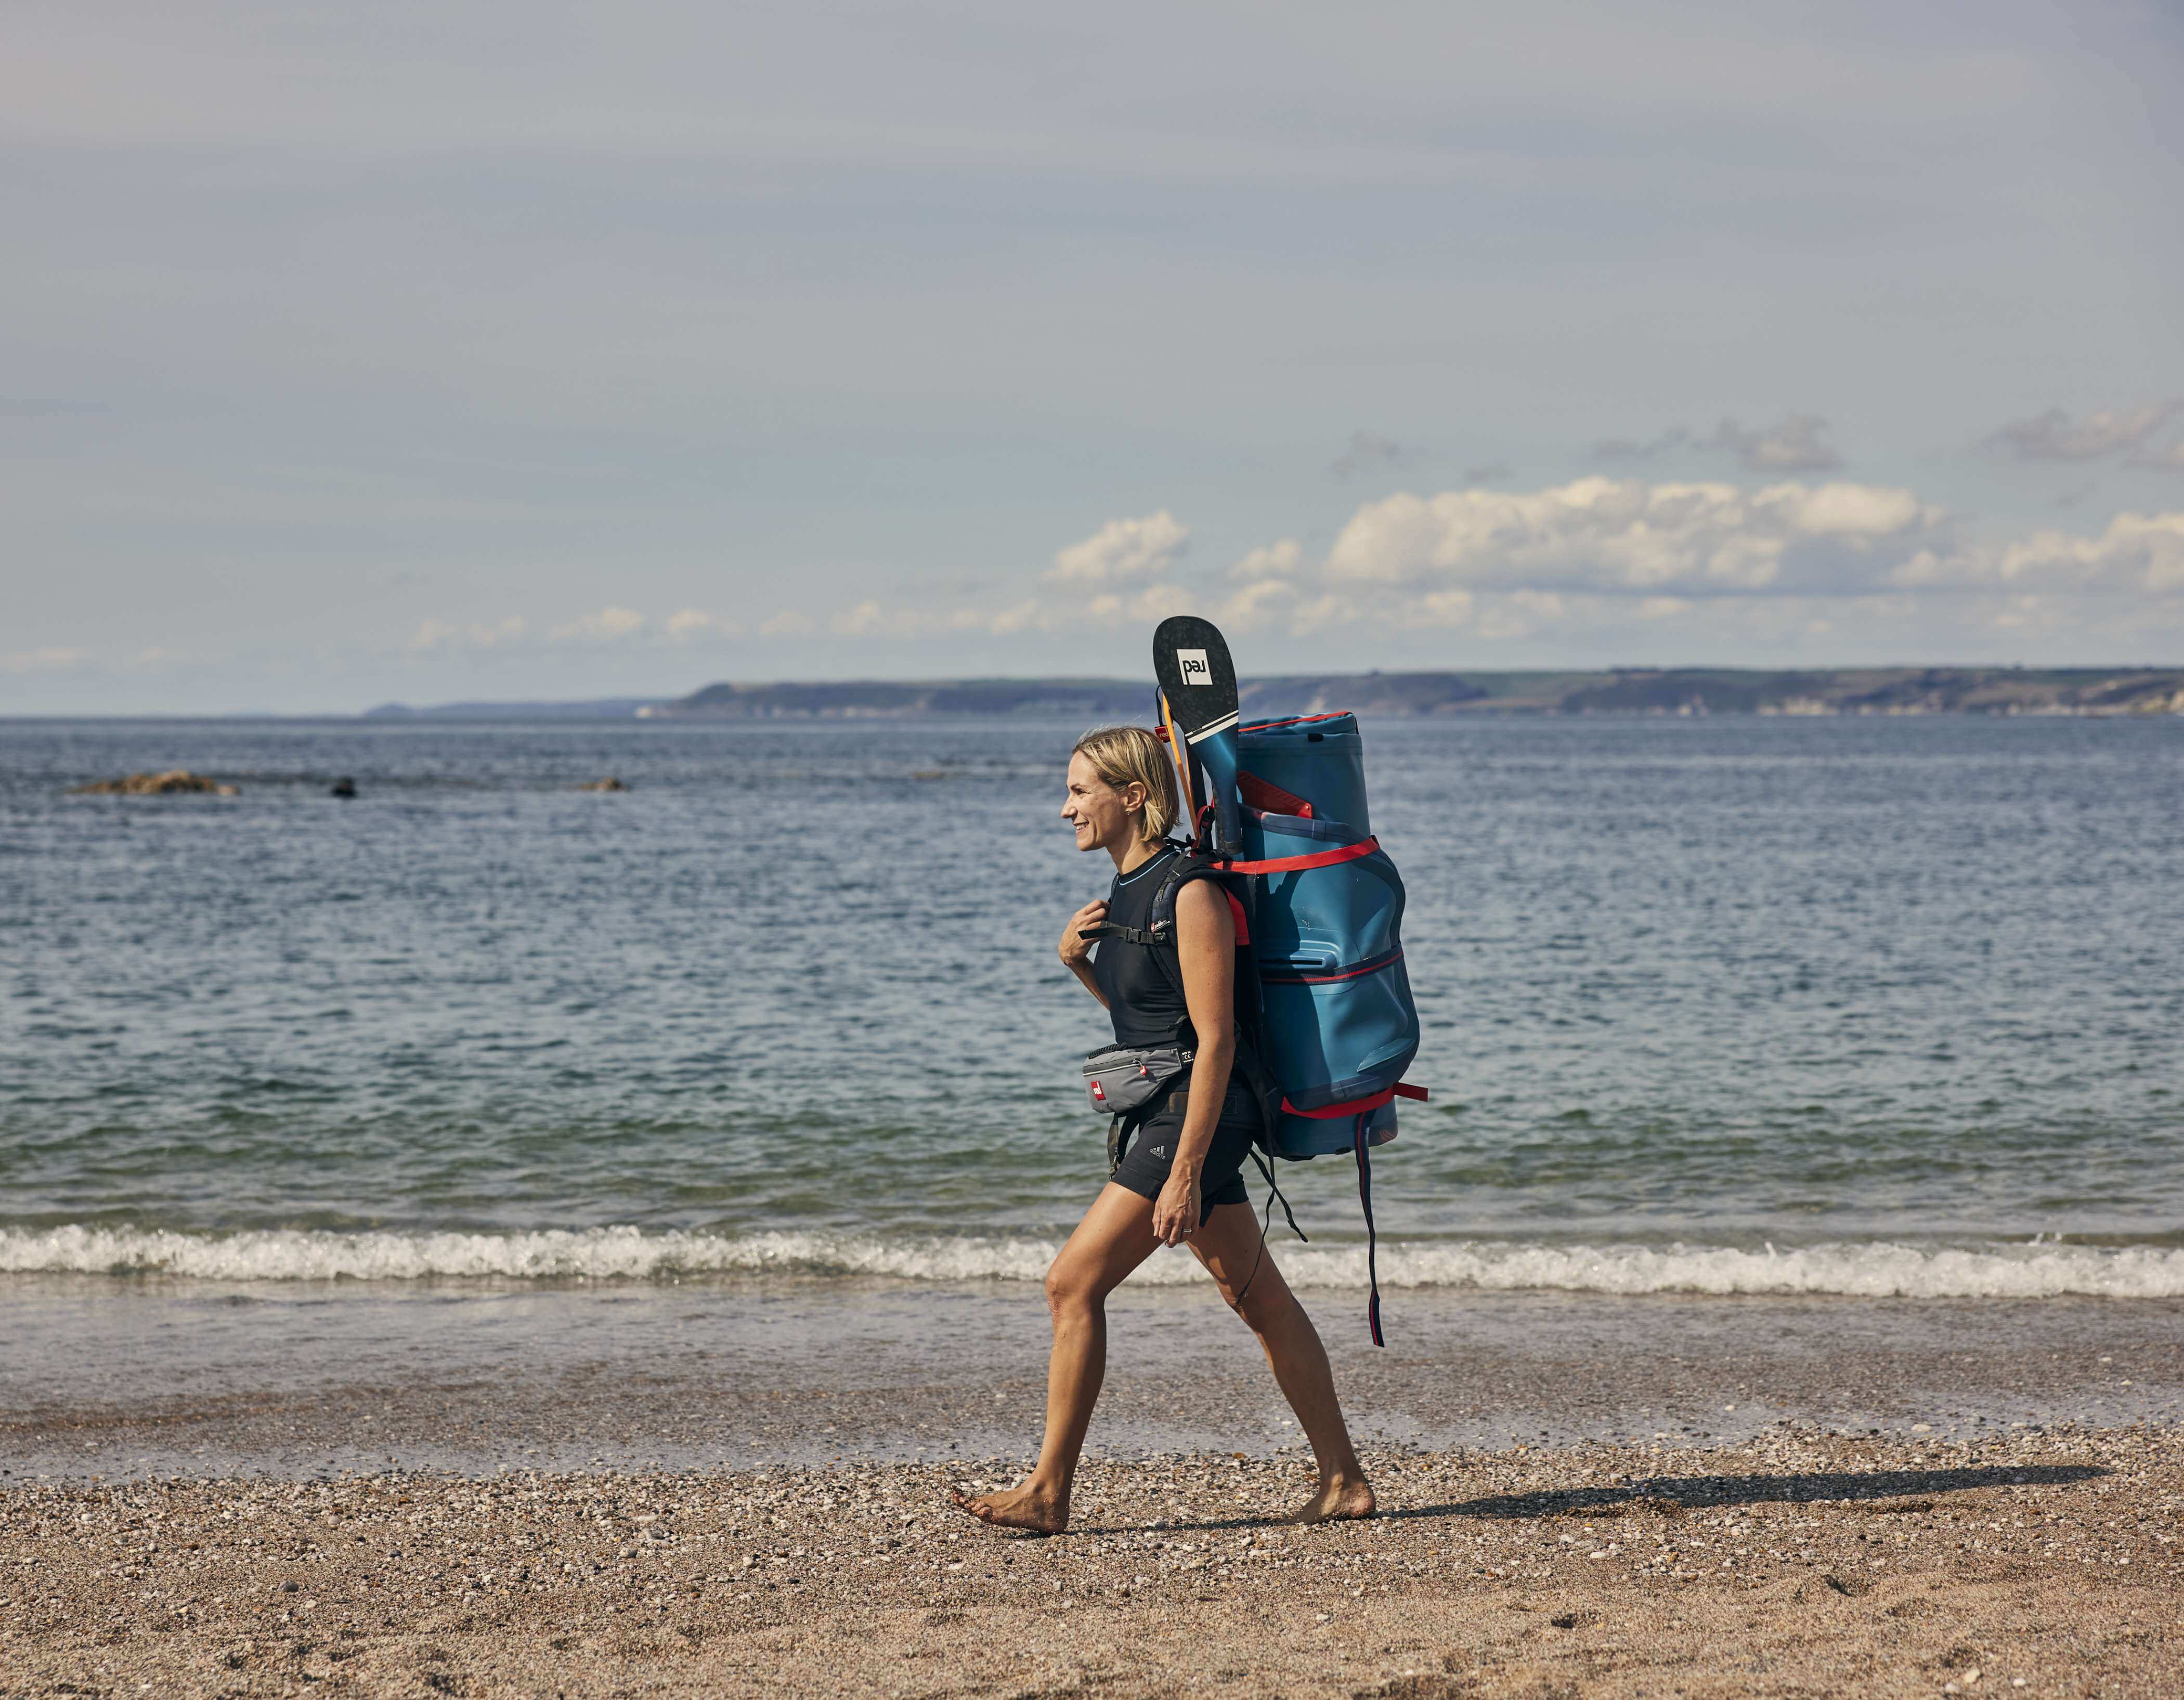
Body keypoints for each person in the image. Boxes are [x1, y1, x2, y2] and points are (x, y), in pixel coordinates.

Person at [951, 725, 1375, 1534]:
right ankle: (1344, 1479)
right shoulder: (1123, 898)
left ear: (1133, 796)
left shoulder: (1190, 892)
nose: (1065, 807)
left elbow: (1214, 1040)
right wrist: (1081, 962)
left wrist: (1182, 1171)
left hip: (1194, 1118)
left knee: (1071, 1282)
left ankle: (1048, 1491)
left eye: (1080, 791)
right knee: (1259, 1300)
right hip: (1166, 1108)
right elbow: (1150, 1025)